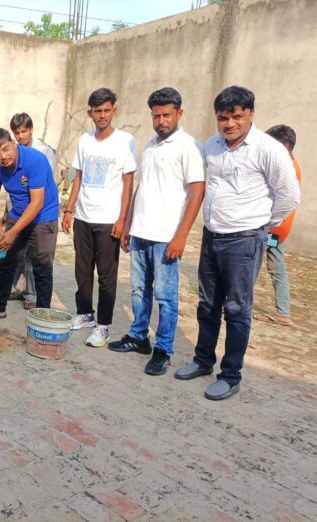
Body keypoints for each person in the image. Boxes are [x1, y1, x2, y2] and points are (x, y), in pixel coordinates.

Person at [175, 86, 300, 400]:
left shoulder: (269, 149)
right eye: (223, 118)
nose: (229, 123)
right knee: (207, 304)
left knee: (237, 309)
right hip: (211, 237)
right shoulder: (212, 146)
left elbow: (289, 196)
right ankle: (203, 361)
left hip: (244, 241)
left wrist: (259, 225)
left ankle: (230, 375)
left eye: (237, 117)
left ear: (250, 115)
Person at [108, 88, 205, 375]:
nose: (161, 120)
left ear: (179, 114)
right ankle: (139, 336)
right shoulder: (150, 145)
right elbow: (143, 187)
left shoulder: (189, 146)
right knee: (139, 290)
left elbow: (197, 191)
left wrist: (181, 236)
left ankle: (163, 349)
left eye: (166, 115)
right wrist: (127, 224)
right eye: (156, 115)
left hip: (166, 237)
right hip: (140, 232)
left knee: (165, 296)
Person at [62, 88, 137, 347]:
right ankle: (85, 315)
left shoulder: (125, 141)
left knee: (106, 276)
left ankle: (103, 325)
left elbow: (128, 183)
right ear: (90, 113)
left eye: (107, 110)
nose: (102, 115)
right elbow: (78, 176)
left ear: (113, 110)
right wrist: (70, 209)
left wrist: (122, 220)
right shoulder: (84, 141)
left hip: (108, 220)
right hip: (84, 216)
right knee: (82, 271)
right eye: (97, 111)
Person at [0, 128, 59, 319]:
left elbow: (37, 203)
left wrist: (13, 233)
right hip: (18, 213)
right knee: (7, 260)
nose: (3, 157)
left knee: (42, 265)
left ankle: (43, 315)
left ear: (13, 143)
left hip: (43, 215)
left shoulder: (35, 160)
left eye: (6, 149)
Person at [253, 125, 302, 326]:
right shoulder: (292, 163)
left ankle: (236, 303)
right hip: (277, 228)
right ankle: (282, 311)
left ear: (286, 145)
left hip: (272, 228)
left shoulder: (287, 166)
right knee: (271, 264)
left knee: (251, 263)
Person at [7, 112, 57, 310]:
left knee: (38, 256)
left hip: (40, 211)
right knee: (19, 253)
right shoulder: (12, 151)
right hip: (18, 210)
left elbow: (44, 185)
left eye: (24, 131)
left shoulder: (43, 152)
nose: (20, 136)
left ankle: (33, 295)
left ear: (31, 130)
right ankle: (19, 289)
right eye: (17, 132)